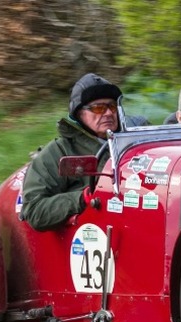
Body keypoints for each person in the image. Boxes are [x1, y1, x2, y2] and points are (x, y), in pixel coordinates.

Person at [21, 73, 128, 231]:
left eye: (112, 107)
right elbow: (34, 211)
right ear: (80, 114)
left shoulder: (132, 142)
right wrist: (83, 197)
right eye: (98, 108)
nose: (108, 113)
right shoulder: (59, 152)